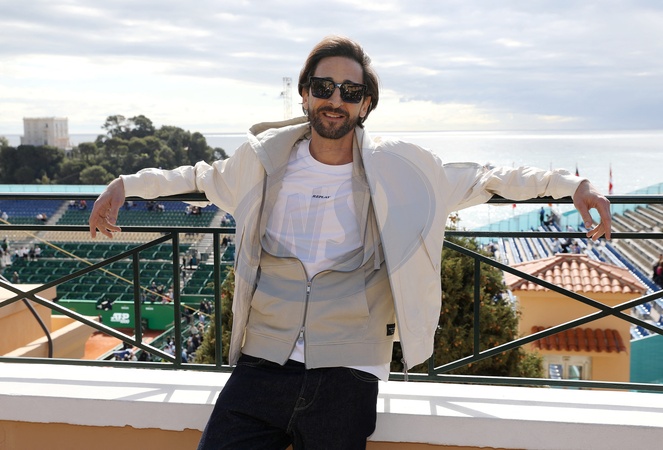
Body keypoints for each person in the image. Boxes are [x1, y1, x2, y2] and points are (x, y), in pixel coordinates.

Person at [89, 35, 611, 450]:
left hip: (349, 370)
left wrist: (572, 185)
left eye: (350, 91)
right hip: (262, 361)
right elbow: (198, 176)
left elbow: (488, 177)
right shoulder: (261, 163)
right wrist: (125, 186)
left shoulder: (402, 170)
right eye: (323, 86)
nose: (335, 99)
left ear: (366, 105)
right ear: (304, 94)